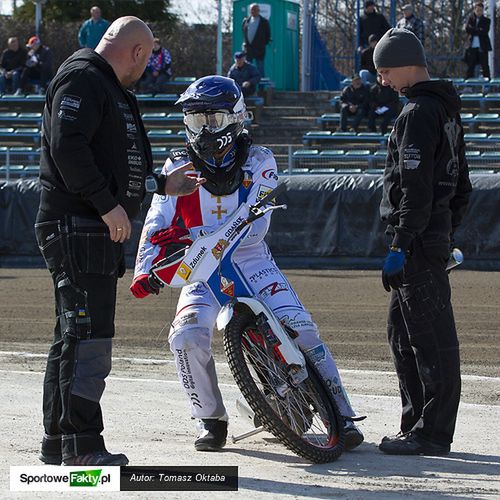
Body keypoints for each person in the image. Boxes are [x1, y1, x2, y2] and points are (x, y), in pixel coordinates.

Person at [130, 75, 365, 453]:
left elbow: (256, 211)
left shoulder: (260, 159)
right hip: (200, 269)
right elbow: (157, 219)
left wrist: (209, 240)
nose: (204, 130)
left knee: (302, 328)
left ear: (237, 117)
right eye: (195, 121)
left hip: (251, 260)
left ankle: (343, 413)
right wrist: (145, 269)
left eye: (213, 120)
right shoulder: (177, 165)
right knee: (186, 337)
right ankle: (210, 419)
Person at [35, 16, 204, 467]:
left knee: (73, 334)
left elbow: (112, 160)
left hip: (86, 225)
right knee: (90, 336)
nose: (146, 68)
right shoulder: (84, 78)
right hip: (79, 225)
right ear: (136, 52)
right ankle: (83, 445)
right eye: (147, 59)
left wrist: (160, 184)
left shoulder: (108, 87)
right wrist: (106, 204)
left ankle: (59, 441)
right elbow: (68, 146)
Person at [373, 28, 472, 455]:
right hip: (430, 239)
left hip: (416, 244)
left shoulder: (417, 112)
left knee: (430, 340)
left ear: (405, 65)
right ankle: (415, 423)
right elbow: (462, 186)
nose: (382, 81)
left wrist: (401, 244)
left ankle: (432, 434)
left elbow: (414, 187)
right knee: (402, 333)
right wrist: (445, 231)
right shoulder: (447, 110)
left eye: (385, 70)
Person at [242, 3, 271, 77]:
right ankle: (249, 86)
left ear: (258, 11)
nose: (253, 11)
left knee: (260, 68)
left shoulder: (264, 22)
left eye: (255, 10)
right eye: (252, 10)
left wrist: (262, 44)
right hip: (248, 49)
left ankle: (261, 87)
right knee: (248, 68)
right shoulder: (246, 21)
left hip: (259, 49)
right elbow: (244, 33)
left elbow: (268, 36)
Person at [465, 2, 492, 79]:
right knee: (470, 66)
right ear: (474, 10)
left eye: (481, 10)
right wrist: (478, 30)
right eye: (478, 10)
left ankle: (486, 85)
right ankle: (469, 86)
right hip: (472, 46)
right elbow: (467, 29)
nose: (479, 12)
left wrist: (474, 30)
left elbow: (484, 31)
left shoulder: (486, 20)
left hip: (482, 46)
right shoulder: (470, 19)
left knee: (485, 66)